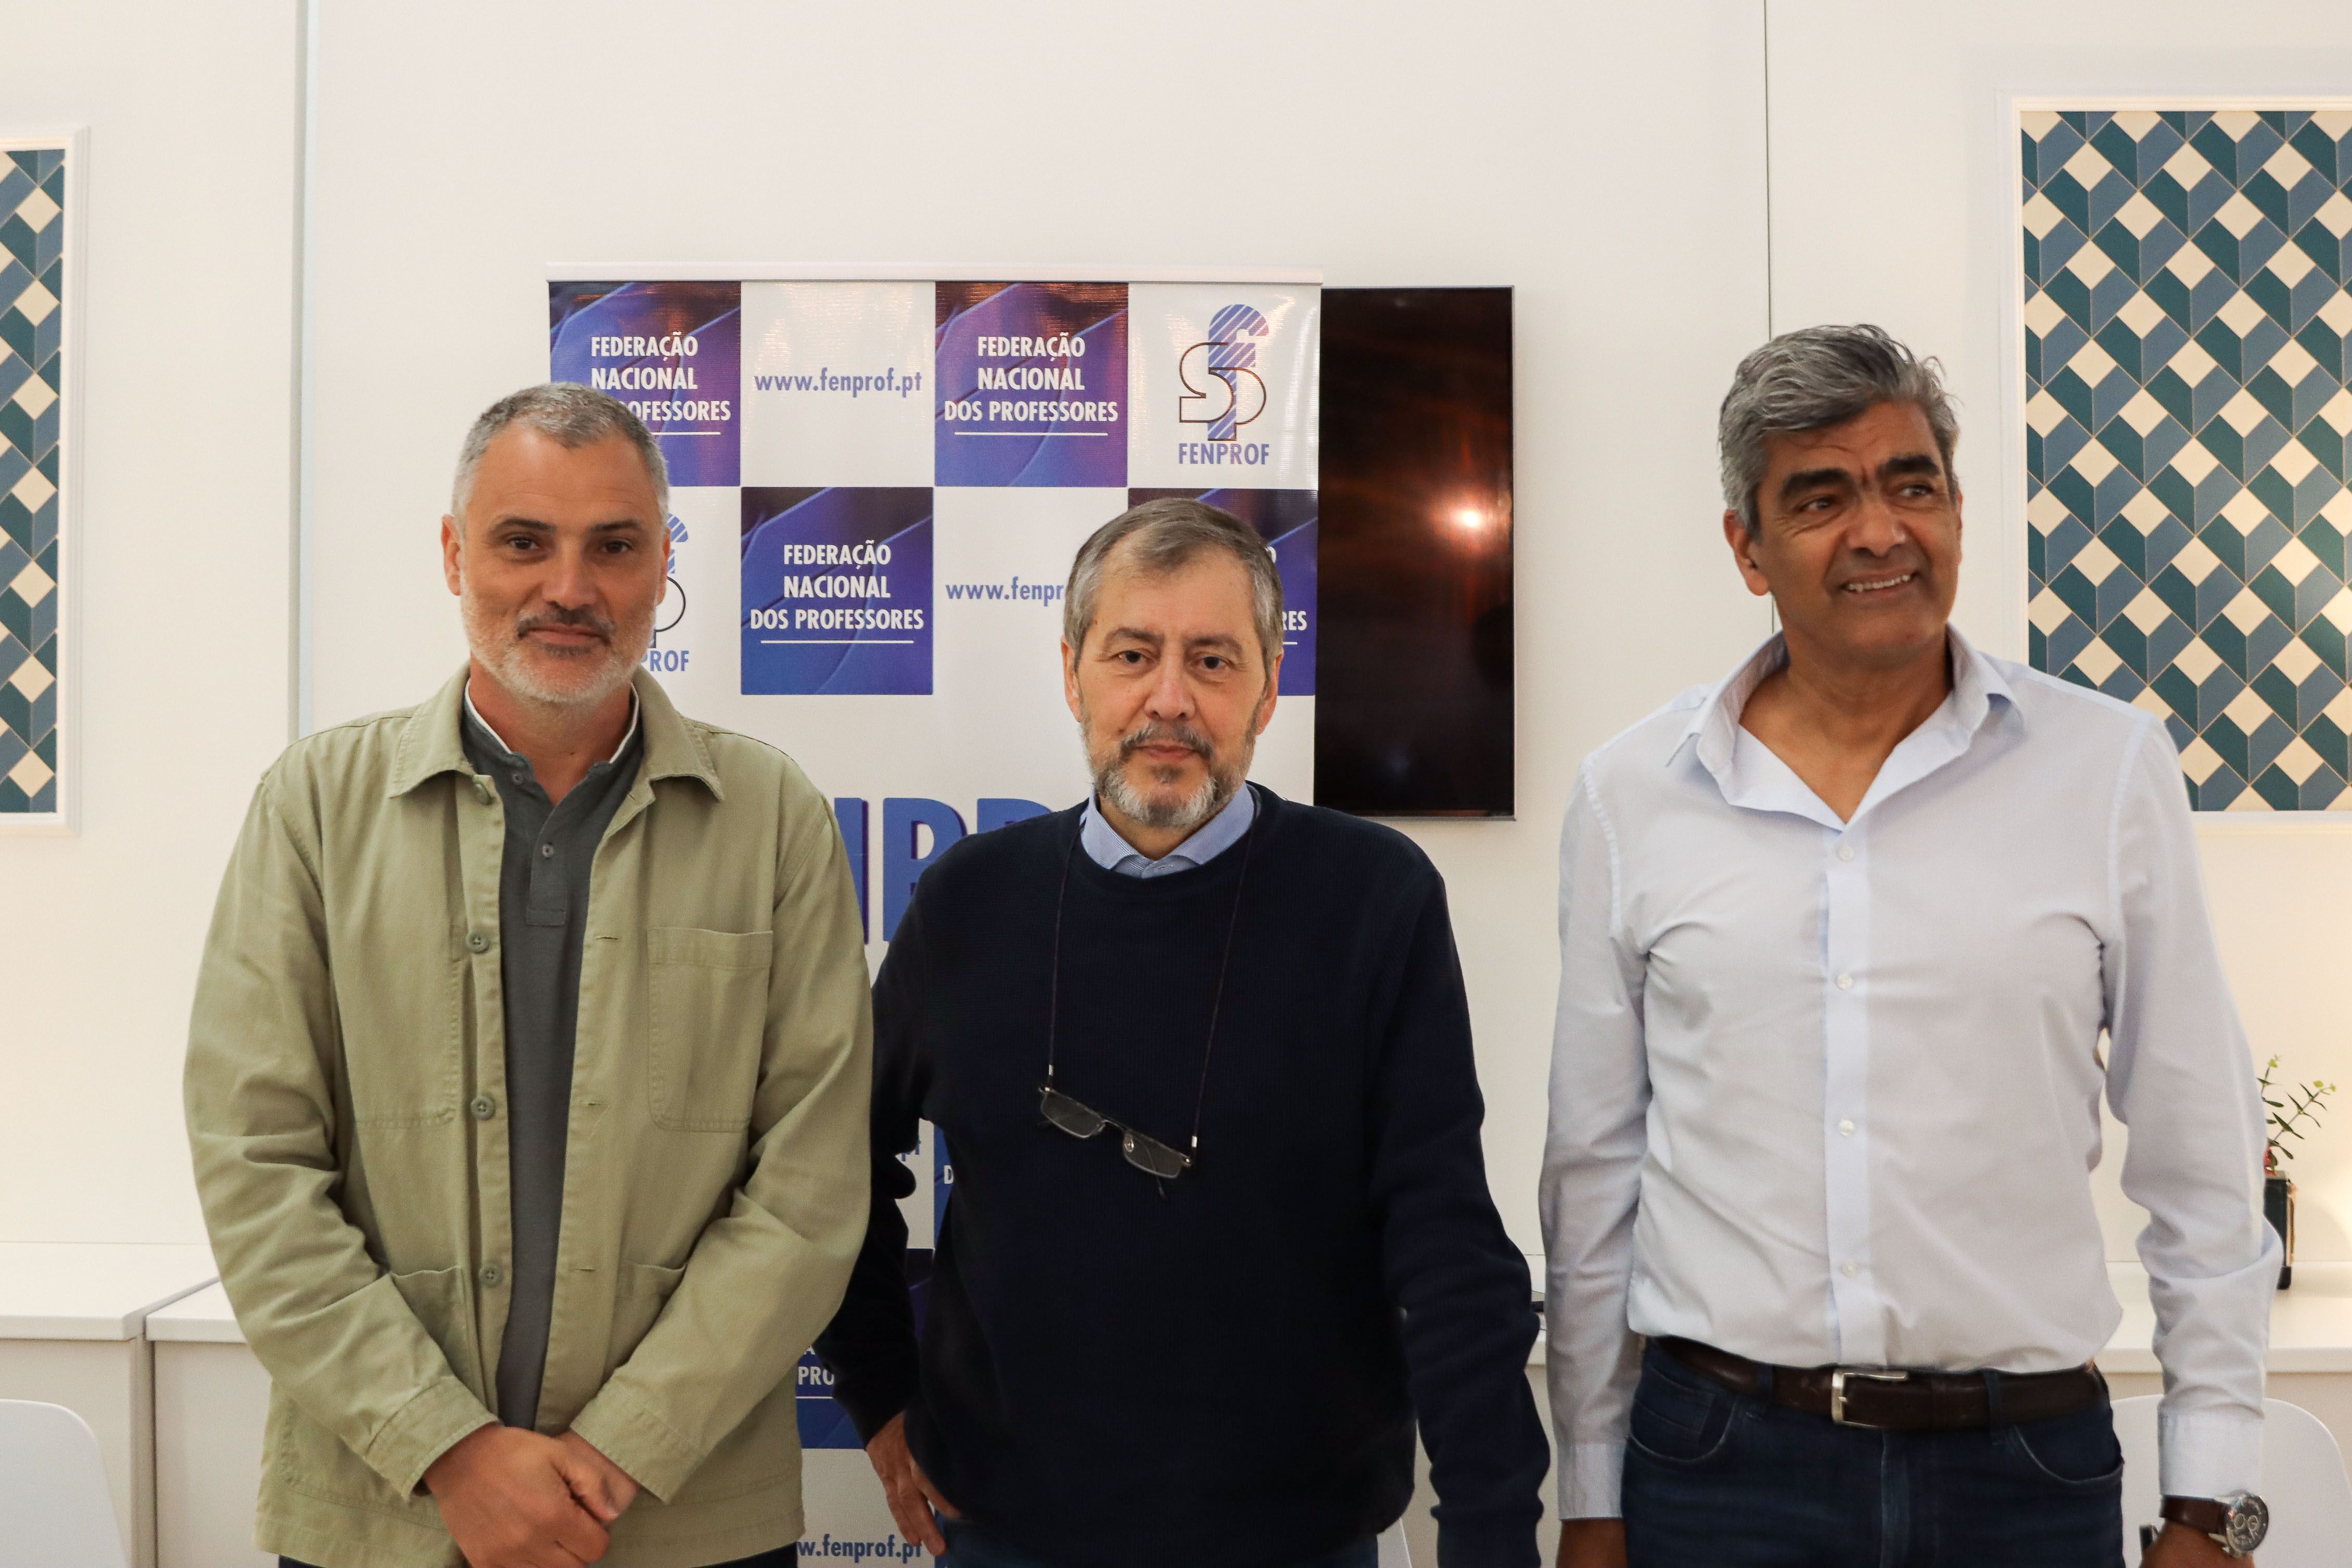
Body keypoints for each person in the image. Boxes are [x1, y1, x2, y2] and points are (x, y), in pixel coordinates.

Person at [1541, 325, 2277, 1567]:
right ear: (1746, 548)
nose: (1879, 531)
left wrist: (2210, 1502)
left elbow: (2200, 1148)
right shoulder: (1632, 795)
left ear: (1956, 509)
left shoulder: (2106, 769)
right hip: (1719, 1472)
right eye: (1820, 498)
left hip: (2023, 1473)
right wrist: (1592, 1493)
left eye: (1910, 484)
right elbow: (1593, 1172)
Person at [184, 384, 872, 1568]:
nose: (570, 586)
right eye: (522, 542)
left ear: (663, 564)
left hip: (683, 1520)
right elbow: (256, 1166)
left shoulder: (772, 819)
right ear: (455, 555)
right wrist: (448, 1448)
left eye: (614, 546)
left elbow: (810, 1190)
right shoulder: (315, 809)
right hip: (383, 1512)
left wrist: (613, 1455)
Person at [812, 498, 1550, 1568]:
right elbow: (832, 1172)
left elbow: (1446, 1242)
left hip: (1297, 1544)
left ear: (1269, 685)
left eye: (1212, 659)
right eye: (1132, 655)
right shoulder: (968, 901)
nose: (1169, 698)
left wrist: (1491, 1532)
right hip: (1012, 1540)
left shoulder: (1372, 899)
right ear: (1074, 675)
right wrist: (880, 1393)